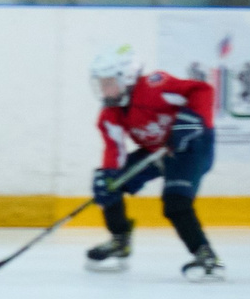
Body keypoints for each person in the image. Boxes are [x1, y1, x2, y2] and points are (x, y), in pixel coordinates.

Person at [86, 43, 222, 279]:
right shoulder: (110, 114)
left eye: (108, 83)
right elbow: (114, 149)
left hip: (192, 147)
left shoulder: (154, 87)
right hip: (157, 149)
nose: (104, 90)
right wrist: (109, 173)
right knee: (109, 184)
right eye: (101, 84)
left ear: (127, 77)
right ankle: (120, 241)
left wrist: (191, 121)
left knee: (175, 203)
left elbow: (203, 91)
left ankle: (205, 256)